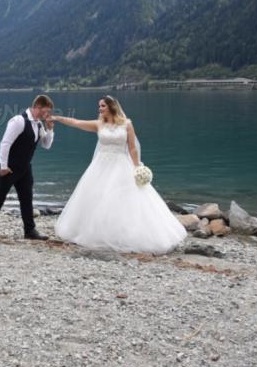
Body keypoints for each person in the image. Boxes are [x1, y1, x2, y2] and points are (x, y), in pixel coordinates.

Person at [51, 96, 186, 254]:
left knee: (125, 199)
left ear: (111, 107)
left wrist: (137, 167)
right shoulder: (99, 124)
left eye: (102, 106)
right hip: (100, 167)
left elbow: (133, 148)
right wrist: (58, 118)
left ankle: (125, 234)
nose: (99, 109)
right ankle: (99, 233)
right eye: (99, 106)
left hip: (122, 165)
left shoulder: (127, 124)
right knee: (98, 198)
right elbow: (76, 122)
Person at [0, 94, 55, 240]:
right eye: (45, 111)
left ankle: (29, 231)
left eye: (48, 112)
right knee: (0, 196)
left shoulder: (39, 124)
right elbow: (5, 143)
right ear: (37, 107)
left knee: (27, 198)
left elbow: (46, 145)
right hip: (8, 167)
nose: (47, 115)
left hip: (24, 168)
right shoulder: (18, 121)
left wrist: (50, 130)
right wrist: (3, 166)